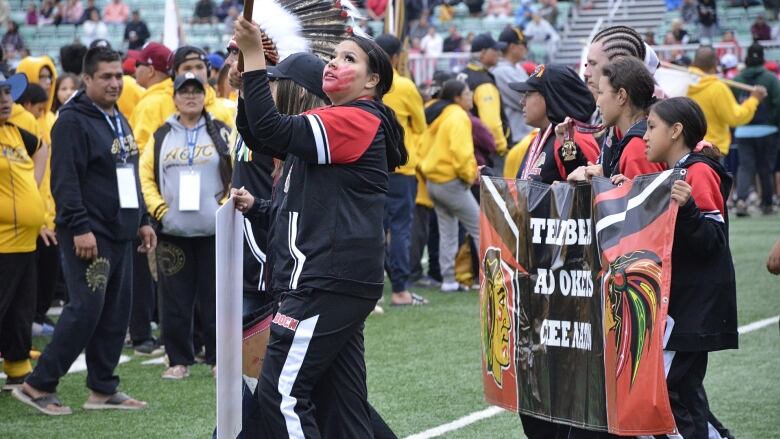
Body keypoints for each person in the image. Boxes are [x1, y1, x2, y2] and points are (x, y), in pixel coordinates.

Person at [233, 17, 407, 436]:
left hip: (324, 281)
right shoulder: (339, 121)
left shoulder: (355, 119)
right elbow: (260, 136)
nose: (332, 63)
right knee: (344, 410)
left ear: (372, 83)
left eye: (349, 59)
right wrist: (247, 80)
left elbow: (271, 126)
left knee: (281, 395)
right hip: (330, 280)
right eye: (333, 55)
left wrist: (256, 58)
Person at [13, 46, 155, 415]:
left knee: (115, 311)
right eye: (105, 77)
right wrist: (79, 227)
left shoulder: (116, 116)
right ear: (86, 79)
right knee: (85, 310)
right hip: (91, 234)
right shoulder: (73, 121)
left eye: (117, 76)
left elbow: (129, 173)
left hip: (121, 229)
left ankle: (103, 388)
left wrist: (142, 220)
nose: (113, 83)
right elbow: (65, 181)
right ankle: (37, 384)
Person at [620, 96, 737, 439]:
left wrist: (687, 210)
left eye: (652, 127)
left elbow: (713, 241)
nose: (644, 136)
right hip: (681, 309)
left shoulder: (697, 171)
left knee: (667, 394)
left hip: (693, 310)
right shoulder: (675, 173)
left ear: (675, 131)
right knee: (682, 396)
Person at [140, 72, 231, 379]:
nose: (190, 96)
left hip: (214, 231)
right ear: (175, 97)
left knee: (216, 297)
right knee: (174, 299)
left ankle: (219, 357)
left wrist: (224, 207)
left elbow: (238, 171)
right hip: (174, 233)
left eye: (196, 90)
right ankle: (178, 359)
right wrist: (159, 210)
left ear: (205, 95)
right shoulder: (161, 134)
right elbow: (146, 177)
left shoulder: (221, 130)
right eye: (184, 91)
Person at [0, 72, 47, 390]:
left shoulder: (15, 133)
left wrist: (32, 188)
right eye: (0, 94)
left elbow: (42, 148)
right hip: (2, 243)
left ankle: (17, 367)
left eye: (6, 93)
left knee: (20, 310)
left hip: (26, 241)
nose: (5, 100)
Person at [374, 34, 428, 306]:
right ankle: (400, 290)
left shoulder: (366, 83)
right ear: (395, 57)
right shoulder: (404, 86)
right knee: (401, 229)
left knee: (372, 229)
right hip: (402, 168)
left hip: (370, 166)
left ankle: (370, 294)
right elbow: (420, 126)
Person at [417, 79, 479, 292]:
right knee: (481, 228)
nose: (471, 95)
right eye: (467, 92)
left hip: (433, 181)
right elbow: (461, 152)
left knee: (448, 232)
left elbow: (421, 147)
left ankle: (449, 280)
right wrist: (469, 175)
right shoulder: (458, 115)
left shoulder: (437, 113)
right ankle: (491, 278)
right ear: (457, 97)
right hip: (451, 181)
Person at [568, 57, 665, 183]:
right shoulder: (619, 133)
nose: (597, 102)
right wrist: (566, 142)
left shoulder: (638, 149)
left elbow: (642, 202)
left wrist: (601, 183)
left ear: (621, 96)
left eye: (601, 93)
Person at [131, 44, 235, 154]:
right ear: (174, 74)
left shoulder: (221, 109)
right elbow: (141, 150)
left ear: (208, 72)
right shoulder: (154, 105)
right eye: (187, 68)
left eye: (199, 67)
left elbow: (232, 152)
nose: (194, 73)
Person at [509, 64, 600, 184]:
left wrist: (568, 145)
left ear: (550, 96)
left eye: (528, 94)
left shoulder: (573, 138)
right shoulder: (538, 140)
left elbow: (589, 189)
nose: (522, 102)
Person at [686, 46, 766, 155]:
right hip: (712, 149)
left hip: (689, 147)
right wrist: (754, 99)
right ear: (715, 64)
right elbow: (735, 117)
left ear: (694, 62)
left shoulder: (683, 83)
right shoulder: (717, 87)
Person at [732, 43, 780, 216]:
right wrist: (772, 122)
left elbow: (732, 104)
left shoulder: (736, 79)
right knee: (765, 168)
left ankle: (742, 200)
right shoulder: (771, 79)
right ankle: (767, 203)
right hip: (767, 130)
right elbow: (778, 103)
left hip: (743, 130)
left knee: (745, 167)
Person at [464, 33, 509, 161]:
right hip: (484, 154)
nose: (498, 53)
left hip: (466, 147)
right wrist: (501, 147)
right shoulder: (483, 82)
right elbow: (492, 125)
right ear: (483, 52)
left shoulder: (463, 74)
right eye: (494, 49)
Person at [493, 26, 531, 144]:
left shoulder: (516, 67)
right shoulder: (502, 71)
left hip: (524, 135)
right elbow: (528, 101)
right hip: (515, 137)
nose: (526, 48)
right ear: (513, 47)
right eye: (523, 44)